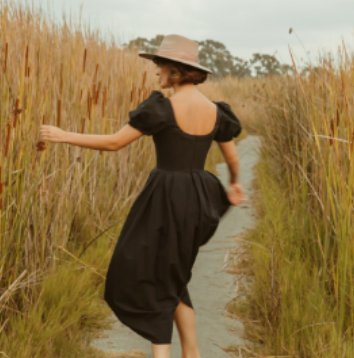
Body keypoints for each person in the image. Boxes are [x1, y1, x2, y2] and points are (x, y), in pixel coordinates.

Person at [39, 34, 247, 358]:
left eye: (159, 64)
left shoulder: (163, 109)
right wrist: (234, 185)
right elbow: (233, 161)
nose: (155, 71)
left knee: (150, 274)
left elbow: (114, 143)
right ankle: (191, 354)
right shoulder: (216, 111)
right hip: (198, 198)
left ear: (175, 69)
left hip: (165, 199)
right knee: (174, 275)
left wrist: (64, 136)